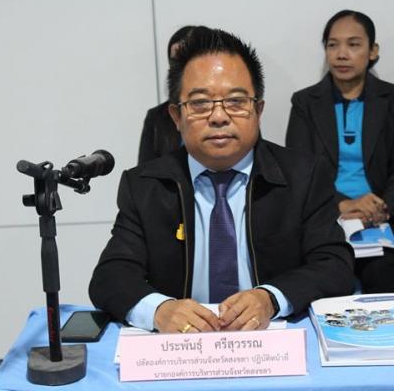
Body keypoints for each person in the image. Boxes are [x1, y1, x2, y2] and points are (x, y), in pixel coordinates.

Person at [90, 26, 354, 333]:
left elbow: (334, 265)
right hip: (181, 347)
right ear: (176, 117)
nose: (218, 117)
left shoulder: (303, 175)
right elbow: (111, 276)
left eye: (236, 101)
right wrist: (160, 310)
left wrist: (271, 298)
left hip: (272, 341)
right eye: (200, 103)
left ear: (258, 110)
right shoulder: (145, 185)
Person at [286, 10, 394, 293]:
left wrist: (381, 208)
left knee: (384, 276)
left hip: (380, 219)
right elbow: (298, 169)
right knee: (324, 277)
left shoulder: (390, 99)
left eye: (353, 44)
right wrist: (342, 204)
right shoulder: (305, 103)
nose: (341, 54)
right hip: (325, 216)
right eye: (333, 45)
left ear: (373, 51)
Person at [138, 25, 196, 164]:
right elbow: (144, 173)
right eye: (176, 61)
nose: (182, 67)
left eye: (189, 58)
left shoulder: (232, 110)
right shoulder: (157, 118)